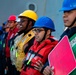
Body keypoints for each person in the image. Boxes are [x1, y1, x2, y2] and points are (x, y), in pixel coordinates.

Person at [35, 0, 76, 75]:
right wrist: (46, 67)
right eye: (64, 12)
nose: (64, 15)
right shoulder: (66, 34)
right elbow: (55, 57)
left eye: (69, 12)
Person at [9, 10, 38, 75]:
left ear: (30, 23)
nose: (20, 23)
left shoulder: (34, 38)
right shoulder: (22, 34)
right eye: (20, 21)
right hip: (17, 69)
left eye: (23, 21)